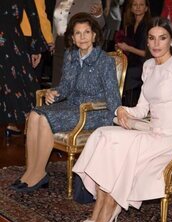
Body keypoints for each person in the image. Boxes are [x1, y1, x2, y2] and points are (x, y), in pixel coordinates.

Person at [72, 16, 172, 222]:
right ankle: (100, 207)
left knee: (119, 145)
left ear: (171, 41)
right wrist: (122, 110)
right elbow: (141, 110)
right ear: (146, 42)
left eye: (162, 38)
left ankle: (108, 209)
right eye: (152, 38)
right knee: (103, 135)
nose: (156, 44)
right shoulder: (148, 66)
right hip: (151, 132)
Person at [11, 13, 121, 192]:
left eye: (87, 32)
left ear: (94, 35)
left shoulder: (105, 61)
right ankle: (30, 171)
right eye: (78, 33)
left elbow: (113, 97)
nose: (83, 37)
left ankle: (39, 173)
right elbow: (65, 86)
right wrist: (53, 92)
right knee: (34, 114)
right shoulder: (71, 55)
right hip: (72, 106)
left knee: (46, 118)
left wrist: (116, 118)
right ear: (72, 37)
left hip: (94, 112)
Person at [0, 0, 47, 136]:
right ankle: (25, 123)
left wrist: (36, 47)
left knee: (14, 81)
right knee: (20, 82)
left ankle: (17, 123)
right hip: (12, 38)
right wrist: (36, 47)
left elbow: (33, 15)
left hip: (12, 39)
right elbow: (33, 16)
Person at [52, 0, 105, 86]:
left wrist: (98, 14)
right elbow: (56, 20)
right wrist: (53, 39)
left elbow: (100, 24)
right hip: (60, 43)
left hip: (79, 46)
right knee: (57, 81)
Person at [116, 0, 151, 107]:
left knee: (128, 73)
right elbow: (128, 46)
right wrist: (120, 47)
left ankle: (129, 107)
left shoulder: (149, 26)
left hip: (145, 63)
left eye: (141, 5)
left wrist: (128, 48)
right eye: (135, 5)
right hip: (131, 61)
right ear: (131, 8)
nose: (138, 7)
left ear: (146, 8)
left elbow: (148, 54)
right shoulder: (129, 25)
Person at [21, 0, 55, 82]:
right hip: (29, 35)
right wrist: (49, 38)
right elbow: (39, 14)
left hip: (14, 35)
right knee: (32, 79)